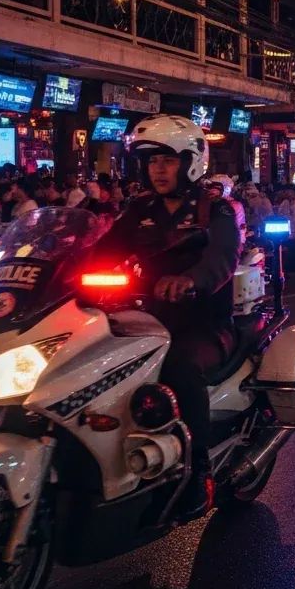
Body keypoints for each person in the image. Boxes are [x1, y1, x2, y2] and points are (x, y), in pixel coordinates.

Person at [93, 114, 240, 519]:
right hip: (143, 321)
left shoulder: (218, 210)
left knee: (179, 367)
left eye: (168, 160)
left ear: (191, 161)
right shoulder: (140, 209)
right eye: (152, 161)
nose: (158, 169)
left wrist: (189, 280)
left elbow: (222, 259)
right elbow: (101, 249)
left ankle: (197, 473)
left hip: (203, 325)